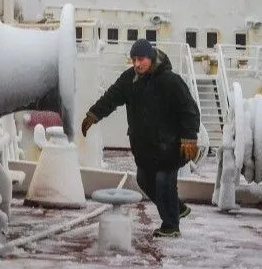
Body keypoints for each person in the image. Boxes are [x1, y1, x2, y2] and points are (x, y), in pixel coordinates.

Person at [82, 39, 200, 237]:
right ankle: (177, 208)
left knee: (163, 180)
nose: (137, 64)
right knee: (144, 179)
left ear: (151, 58)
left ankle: (171, 226)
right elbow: (112, 97)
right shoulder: (130, 79)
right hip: (146, 147)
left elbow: (189, 110)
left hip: (171, 146)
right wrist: (93, 115)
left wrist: (189, 137)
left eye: (141, 59)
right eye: (134, 59)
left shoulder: (170, 81)